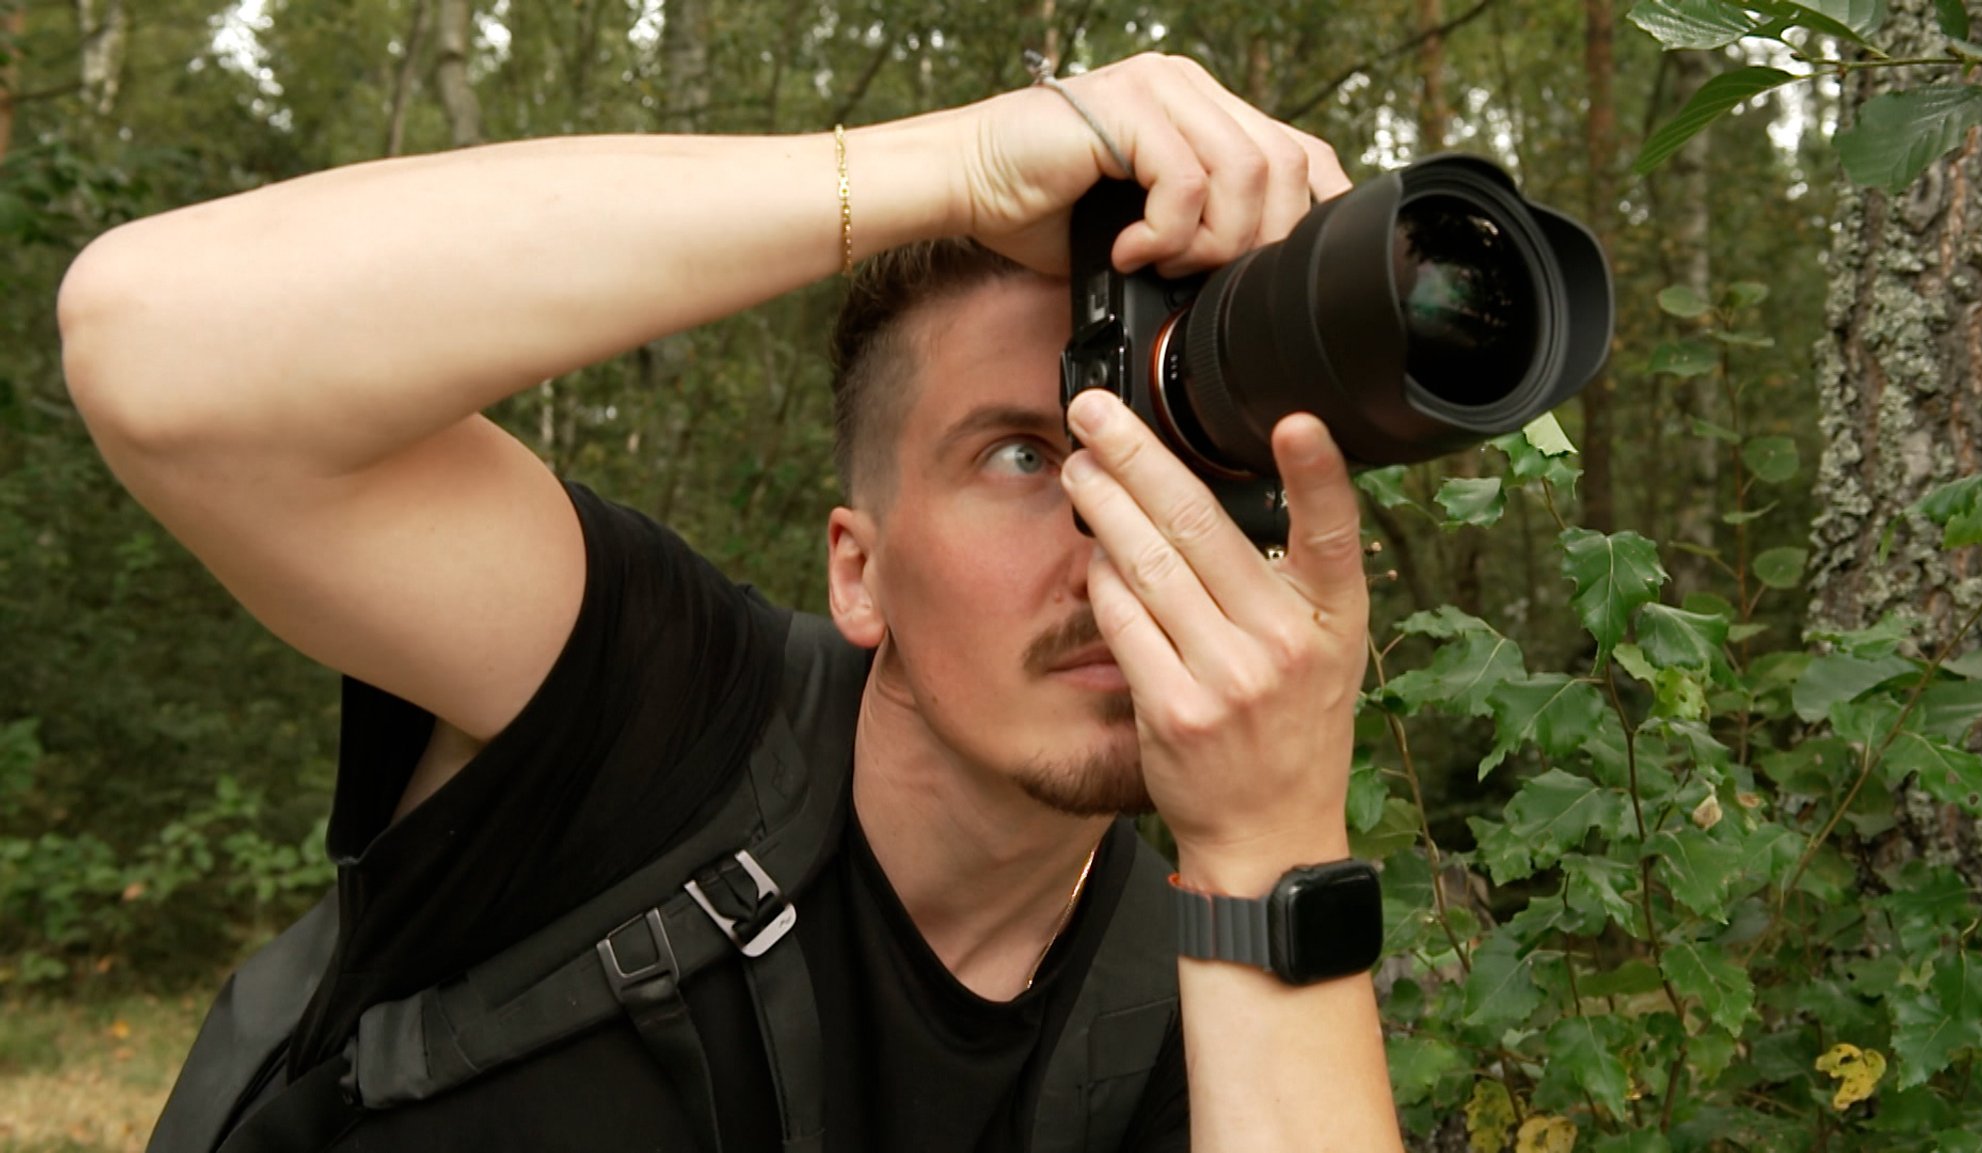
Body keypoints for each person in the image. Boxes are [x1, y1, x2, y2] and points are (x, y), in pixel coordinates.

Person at [59, 51, 1404, 1151]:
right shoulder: (660, 707)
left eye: (1163, 461)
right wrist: (959, 163)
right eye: (1024, 454)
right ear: (856, 568)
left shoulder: (1200, 984)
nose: (1117, 534)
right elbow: (151, 339)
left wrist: (1270, 852)